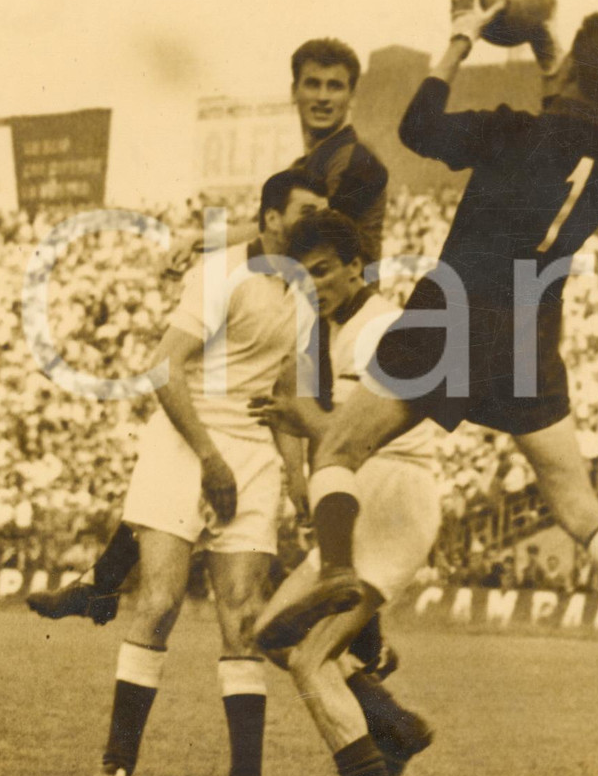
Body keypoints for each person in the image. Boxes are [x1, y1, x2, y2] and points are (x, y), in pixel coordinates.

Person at [257, 0, 598, 729]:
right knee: (577, 501)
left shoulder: (508, 129)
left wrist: (463, 37)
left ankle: (337, 571)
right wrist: (547, 49)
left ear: (566, 75)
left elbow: (417, 125)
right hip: (533, 325)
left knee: (339, 446)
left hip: (456, 305)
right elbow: (573, 111)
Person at [28, 37, 389, 626]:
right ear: (293, 90)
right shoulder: (309, 162)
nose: (323, 97)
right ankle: (101, 580)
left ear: (352, 95)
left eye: (336, 86)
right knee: (222, 455)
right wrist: (209, 241)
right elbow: (279, 230)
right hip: (310, 302)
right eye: (313, 84)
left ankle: (365, 638)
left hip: (335, 312)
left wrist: (209, 240)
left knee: (326, 457)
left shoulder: (350, 162)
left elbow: (303, 235)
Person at [70, 168, 327, 776]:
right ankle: (114, 771)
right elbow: (163, 367)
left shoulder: (306, 291)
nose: (314, 222)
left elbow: (288, 398)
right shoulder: (219, 274)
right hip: (186, 443)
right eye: (303, 212)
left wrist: (299, 483)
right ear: (269, 219)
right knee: (158, 602)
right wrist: (211, 459)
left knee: (243, 615)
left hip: (252, 452)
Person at [249, 211, 438, 776]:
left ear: (358, 266)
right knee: (274, 634)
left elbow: (347, 434)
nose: (314, 285)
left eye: (325, 270)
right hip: (374, 491)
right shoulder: (339, 329)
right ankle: (393, 725)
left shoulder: (379, 328)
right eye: (302, 276)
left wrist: (296, 414)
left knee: (308, 659)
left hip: (391, 491)